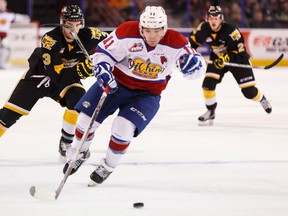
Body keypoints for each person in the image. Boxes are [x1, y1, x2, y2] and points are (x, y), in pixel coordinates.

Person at [62, 6, 206, 186]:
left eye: (157, 30)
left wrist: (195, 66)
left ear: (165, 28)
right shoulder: (126, 32)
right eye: (147, 30)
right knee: (85, 120)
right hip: (116, 84)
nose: (152, 35)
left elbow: (195, 67)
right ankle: (79, 151)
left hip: (148, 94)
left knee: (122, 128)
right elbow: (102, 54)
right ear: (141, 28)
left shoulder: (176, 42)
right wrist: (103, 70)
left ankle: (107, 166)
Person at [0, 5, 108, 161]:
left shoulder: (90, 35)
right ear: (62, 23)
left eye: (77, 25)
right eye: (69, 25)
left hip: (67, 78)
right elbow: (57, 76)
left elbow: (114, 41)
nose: (73, 29)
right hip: (39, 77)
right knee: (7, 117)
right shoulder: (51, 39)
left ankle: (65, 143)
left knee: (79, 102)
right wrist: (82, 70)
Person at [188, 5, 272, 125]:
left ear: (221, 18)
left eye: (216, 18)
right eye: (211, 18)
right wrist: (188, 54)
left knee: (249, 92)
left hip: (237, 59)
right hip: (217, 58)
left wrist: (225, 58)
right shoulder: (203, 28)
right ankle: (210, 111)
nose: (213, 21)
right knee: (208, 84)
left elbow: (240, 52)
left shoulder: (232, 31)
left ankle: (262, 99)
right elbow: (192, 43)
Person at [0, 0, 30, 69]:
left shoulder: (9, 14)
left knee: (5, 49)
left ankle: (2, 64)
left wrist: (25, 18)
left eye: (2, 4)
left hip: (4, 36)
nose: (1, 6)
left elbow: (19, 18)